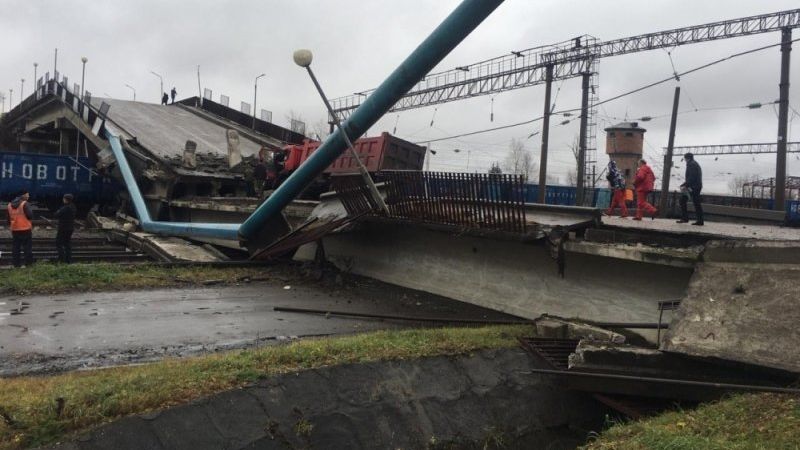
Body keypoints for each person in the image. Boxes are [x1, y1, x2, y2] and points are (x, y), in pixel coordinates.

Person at [7, 190, 33, 268]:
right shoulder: (24, 204)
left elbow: (8, 219)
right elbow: (30, 215)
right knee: (27, 248)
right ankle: (29, 264)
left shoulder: (9, 205)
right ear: (23, 195)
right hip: (25, 229)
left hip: (15, 229)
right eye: (27, 195)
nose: (28, 196)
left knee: (16, 248)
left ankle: (16, 265)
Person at [677, 152, 704, 226]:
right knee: (693, 202)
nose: (685, 160)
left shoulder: (691, 164)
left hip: (693, 187)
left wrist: (685, 185)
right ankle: (694, 219)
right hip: (695, 186)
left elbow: (692, 177)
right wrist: (685, 184)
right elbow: (692, 177)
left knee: (687, 201)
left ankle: (697, 220)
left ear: (687, 158)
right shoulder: (694, 163)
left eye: (685, 158)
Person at [54, 193, 77, 264]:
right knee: (67, 244)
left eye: (63, 198)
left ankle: (61, 259)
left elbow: (56, 215)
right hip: (70, 228)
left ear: (66, 199)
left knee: (58, 243)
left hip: (63, 228)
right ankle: (68, 260)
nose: (63, 200)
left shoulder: (65, 208)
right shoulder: (73, 207)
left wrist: (58, 211)